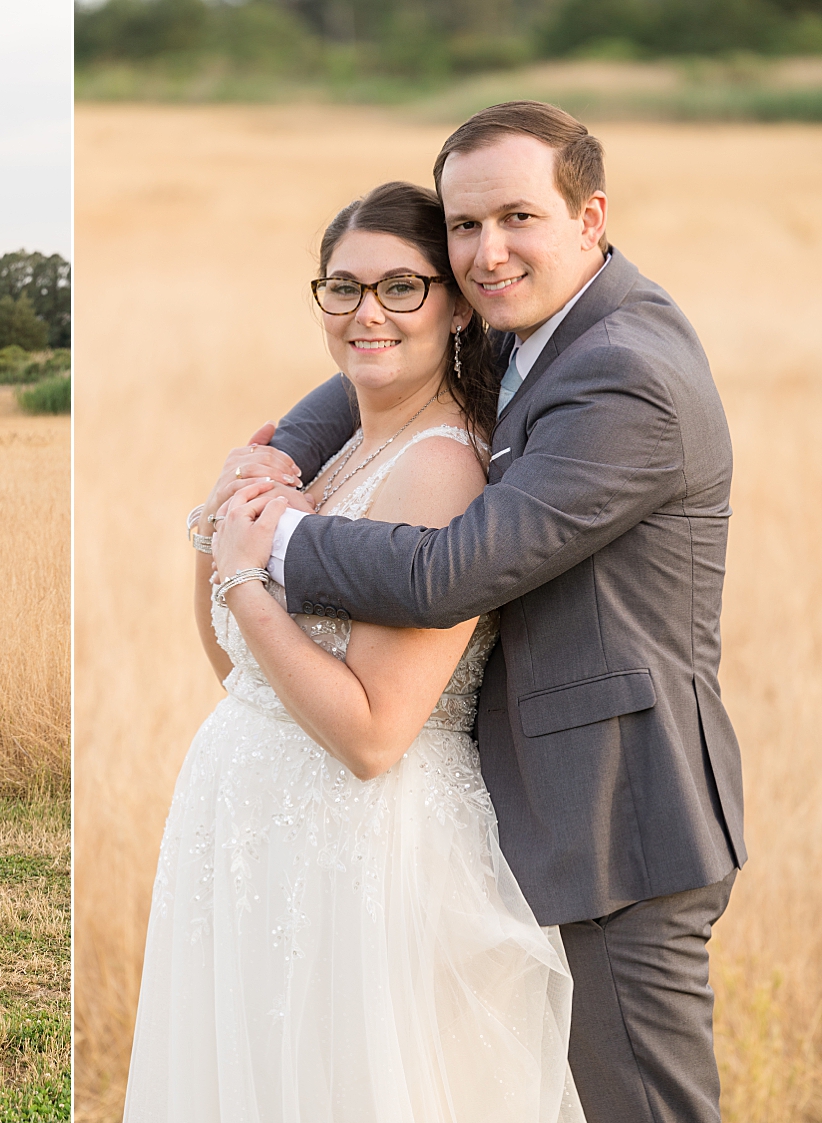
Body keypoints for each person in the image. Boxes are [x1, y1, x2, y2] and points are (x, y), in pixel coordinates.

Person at [221, 102, 743, 1123]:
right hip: (527, 809)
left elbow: (449, 574)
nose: (486, 254)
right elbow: (397, 358)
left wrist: (268, 540)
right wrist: (284, 448)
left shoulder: (626, 375)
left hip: (615, 819)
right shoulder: (542, 323)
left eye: (516, 218)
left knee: (643, 1109)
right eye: (464, 227)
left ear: (591, 217)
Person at [124, 182, 584, 1122]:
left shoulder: (440, 467)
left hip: (365, 850)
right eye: (342, 287)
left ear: (456, 304)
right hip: (262, 836)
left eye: (400, 288)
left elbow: (373, 733)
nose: (366, 313)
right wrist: (222, 524)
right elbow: (244, 676)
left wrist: (247, 582)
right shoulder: (333, 458)